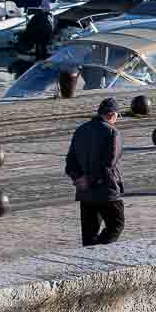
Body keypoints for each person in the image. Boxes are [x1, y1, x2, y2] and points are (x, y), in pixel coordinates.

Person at [65, 98, 125, 247]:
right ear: (112, 115)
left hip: (85, 191)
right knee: (116, 224)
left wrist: (79, 179)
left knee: (89, 233)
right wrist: (91, 179)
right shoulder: (112, 132)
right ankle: (98, 249)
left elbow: (70, 161)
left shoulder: (81, 130)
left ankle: (89, 258)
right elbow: (109, 163)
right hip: (107, 189)